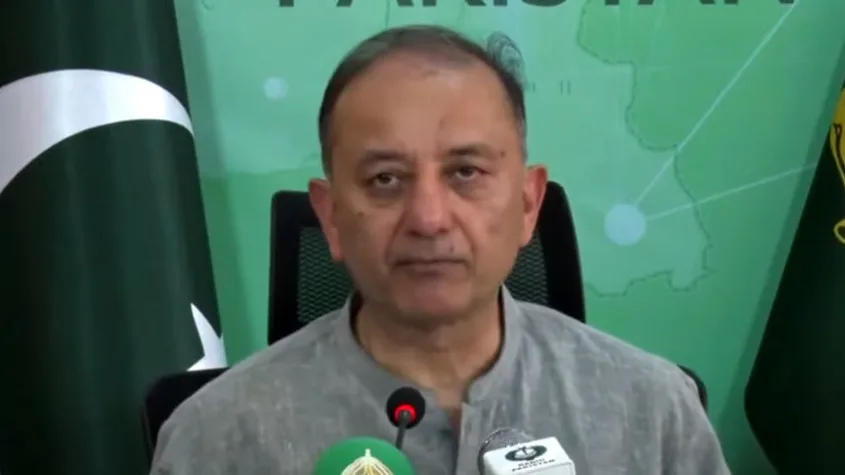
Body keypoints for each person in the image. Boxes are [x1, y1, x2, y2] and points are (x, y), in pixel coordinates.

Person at [149, 25, 731, 475]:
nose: (428, 218)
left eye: (466, 172)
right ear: (330, 217)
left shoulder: (651, 410)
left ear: (528, 204)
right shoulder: (217, 436)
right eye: (385, 179)